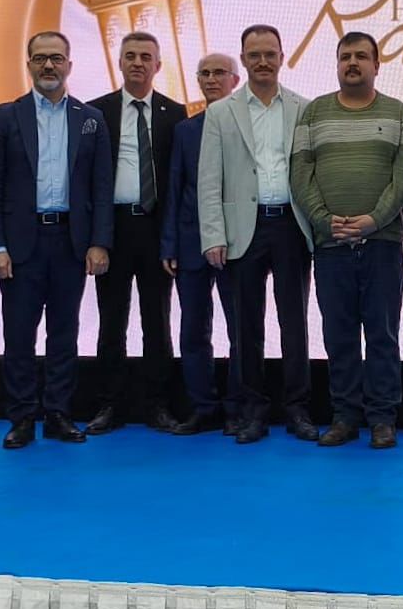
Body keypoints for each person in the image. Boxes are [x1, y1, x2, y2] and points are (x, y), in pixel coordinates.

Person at [0, 31, 113, 448]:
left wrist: (99, 242)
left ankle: (58, 413)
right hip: (21, 244)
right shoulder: (5, 117)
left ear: (69, 64)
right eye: (40, 58)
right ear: (29, 64)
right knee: (19, 335)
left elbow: (101, 187)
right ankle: (21, 417)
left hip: (70, 242)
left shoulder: (90, 118)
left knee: (64, 333)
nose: (48, 65)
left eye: (56, 58)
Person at [292, 32, 403, 448]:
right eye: (345, 56)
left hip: (382, 244)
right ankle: (345, 417)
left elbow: (402, 178)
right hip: (331, 247)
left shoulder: (397, 113)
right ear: (337, 63)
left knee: (383, 334)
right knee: (339, 335)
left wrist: (373, 220)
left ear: (377, 65)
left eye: (362, 56)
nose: (353, 63)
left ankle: (383, 419)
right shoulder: (314, 114)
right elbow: (300, 175)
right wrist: (324, 221)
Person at [198, 25, 318, 444]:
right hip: (240, 229)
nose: (263, 61)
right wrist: (213, 234)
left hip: (290, 225)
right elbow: (209, 179)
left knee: (294, 323)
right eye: (254, 55)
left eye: (270, 54)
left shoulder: (304, 108)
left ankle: (298, 408)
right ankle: (252, 411)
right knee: (245, 326)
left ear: (282, 57)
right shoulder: (220, 113)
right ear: (244, 60)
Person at [87, 32, 187, 434]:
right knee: (111, 321)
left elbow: (178, 182)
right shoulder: (97, 112)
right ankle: (109, 404)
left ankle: (157, 404)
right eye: (130, 56)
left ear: (158, 65)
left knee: (157, 321)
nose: (138, 63)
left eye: (146, 56)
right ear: (119, 62)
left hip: (156, 230)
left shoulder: (175, 113)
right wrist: (95, 238)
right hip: (113, 228)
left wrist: (173, 239)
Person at [161, 53, 242, 435]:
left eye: (219, 73)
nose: (211, 79)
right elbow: (175, 188)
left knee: (241, 330)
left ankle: (238, 407)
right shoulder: (186, 130)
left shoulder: (246, 127)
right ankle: (203, 407)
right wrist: (169, 244)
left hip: (237, 242)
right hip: (191, 242)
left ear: (235, 80)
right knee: (193, 330)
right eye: (204, 73)